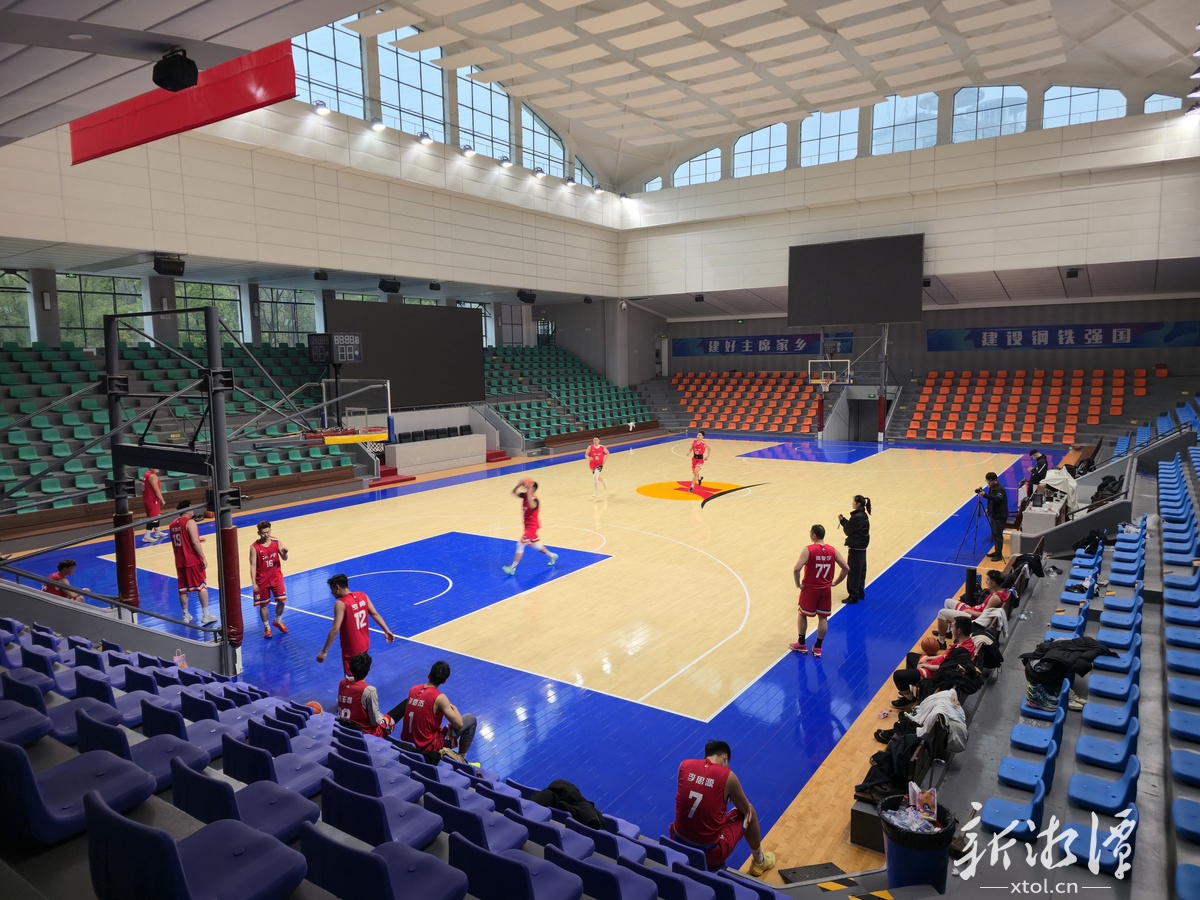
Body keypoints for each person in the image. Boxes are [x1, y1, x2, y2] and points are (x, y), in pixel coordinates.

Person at [669, 739, 776, 877]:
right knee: (750, 812)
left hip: (676, 842)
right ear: (725, 757)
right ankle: (759, 861)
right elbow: (744, 809)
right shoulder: (728, 776)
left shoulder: (684, 765)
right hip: (708, 854)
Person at [317, 573, 395, 676]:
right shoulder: (363, 596)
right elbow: (375, 614)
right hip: (365, 644)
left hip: (351, 648)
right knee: (362, 675)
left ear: (337, 587)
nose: (332, 593)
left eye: (332, 589)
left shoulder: (341, 604)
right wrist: (387, 630)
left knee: (351, 679)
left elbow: (335, 629)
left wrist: (324, 651)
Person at [399, 659, 478, 760]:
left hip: (407, 743)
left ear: (429, 674)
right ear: (444, 681)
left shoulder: (413, 689)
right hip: (428, 747)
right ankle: (461, 759)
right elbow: (459, 724)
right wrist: (455, 709)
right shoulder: (440, 697)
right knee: (470, 719)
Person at [790, 524, 849, 658]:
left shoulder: (809, 550)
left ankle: (801, 643)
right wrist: (835, 582)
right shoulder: (832, 550)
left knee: (802, 614)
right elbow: (846, 568)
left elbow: (796, 569)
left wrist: (798, 584)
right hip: (825, 589)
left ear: (814, 536)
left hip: (810, 589)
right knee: (823, 618)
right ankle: (818, 647)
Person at [892, 616, 976, 707]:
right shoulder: (966, 642)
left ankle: (909, 699)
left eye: (952, 626)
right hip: (936, 664)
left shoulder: (961, 651)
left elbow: (944, 668)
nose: (951, 629)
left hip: (933, 672)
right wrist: (928, 658)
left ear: (959, 631)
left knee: (898, 675)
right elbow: (945, 656)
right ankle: (911, 685)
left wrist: (925, 665)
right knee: (910, 656)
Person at [168, 501, 217, 625]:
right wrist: (203, 557)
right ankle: (206, 614)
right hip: (192, 560)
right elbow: (194, 543)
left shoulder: (172, 524)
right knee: (202, 586)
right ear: (186, 510)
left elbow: (182, 538)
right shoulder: (190, 522)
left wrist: (197, 539)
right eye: (191, 508)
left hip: (179, 561)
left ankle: (185, 615)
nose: (193, 510)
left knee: (182, 589)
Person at [934, 569, 1008, 645]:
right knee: (947, 601)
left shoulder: (995, 598)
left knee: (942, 613)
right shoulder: (999, 592)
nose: (986, 581)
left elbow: (983, 615)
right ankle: (948, 631)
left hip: (972, 617)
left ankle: (941, 642)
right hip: (973, 610)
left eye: (988, 579)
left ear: (993, 583)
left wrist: (968, 611)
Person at [503, 480, 558, 573]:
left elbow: (532, 506)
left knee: (520, 544)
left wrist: (529, 491)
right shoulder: (525, 496)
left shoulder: (535, 500)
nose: (527, 487)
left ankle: (512, 568)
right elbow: (513, 492)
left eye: (530, 487)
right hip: (527, 526)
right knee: (535, 545)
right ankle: (552, 555)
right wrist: (518, 485)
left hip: (532, 527)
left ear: (533, 489)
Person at [336, 651, 395, 737]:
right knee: (390, 720)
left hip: (344, 728)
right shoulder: (369, 690)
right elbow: (375, 722)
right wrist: (381, 717)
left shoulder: (342, 683)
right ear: (368, 670)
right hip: (365, 734)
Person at [249, 520, 288, 639]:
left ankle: (277, 620)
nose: (266, 535)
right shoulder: (254, 547)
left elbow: (284, 558)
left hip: (276, 577)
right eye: (263, 533)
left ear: (270, 530)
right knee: (263, 605)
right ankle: (266, 627)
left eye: (267, 532)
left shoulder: (276, 541)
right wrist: (254, 583)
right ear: (258, 533)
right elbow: (253, 565)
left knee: (282, 601)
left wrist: (285, 553)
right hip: (262, 580)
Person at [837, 495, 871, 604]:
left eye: (853, 502)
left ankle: (853, 596)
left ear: (858, 504)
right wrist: (844, 521)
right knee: (861, 570)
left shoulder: (856, 517)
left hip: (856, 547)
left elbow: (848, 530)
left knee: (853, 572)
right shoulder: (863, 515)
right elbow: (853, 527)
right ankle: (860, 592)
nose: (852, 503)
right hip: (862, 546)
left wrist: (842, 521)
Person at [976, 472, 1009, 561]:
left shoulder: (1000, 489)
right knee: (994, 534)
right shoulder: (992, 487)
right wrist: (988, 508)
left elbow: (997, 499)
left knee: (998, 534)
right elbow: (991, 500)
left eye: (988, 481)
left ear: (992, 480)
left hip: (999, 515)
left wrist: (984, 495)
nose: (987, 483)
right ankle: (996, 551)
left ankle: (999, 554)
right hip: (994, 514)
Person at [142, 467, 165, 543]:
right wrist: (162, 499)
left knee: (157, 516)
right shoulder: (153, 476)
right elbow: (156, 489)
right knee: (153, 518)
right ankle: (146, 536)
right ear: (151, 467)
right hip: (152, 500)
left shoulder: (146, 474)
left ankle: (157, 532)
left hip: (147, 499)